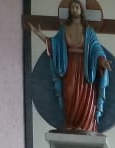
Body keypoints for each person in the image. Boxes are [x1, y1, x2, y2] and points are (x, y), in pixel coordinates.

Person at [30, 0, 110, 133]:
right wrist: (40, 35)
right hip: (70, 67)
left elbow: (96, 49)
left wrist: (102, 61)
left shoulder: (89, 31)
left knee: (85, 97)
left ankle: (85, 125)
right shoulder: (64, 29)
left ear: (81, 10)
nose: (74, 9)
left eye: (77, 7)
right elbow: (55, 45)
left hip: (85, 69)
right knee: (69, 92)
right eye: (72, 7)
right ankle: (71, 124)